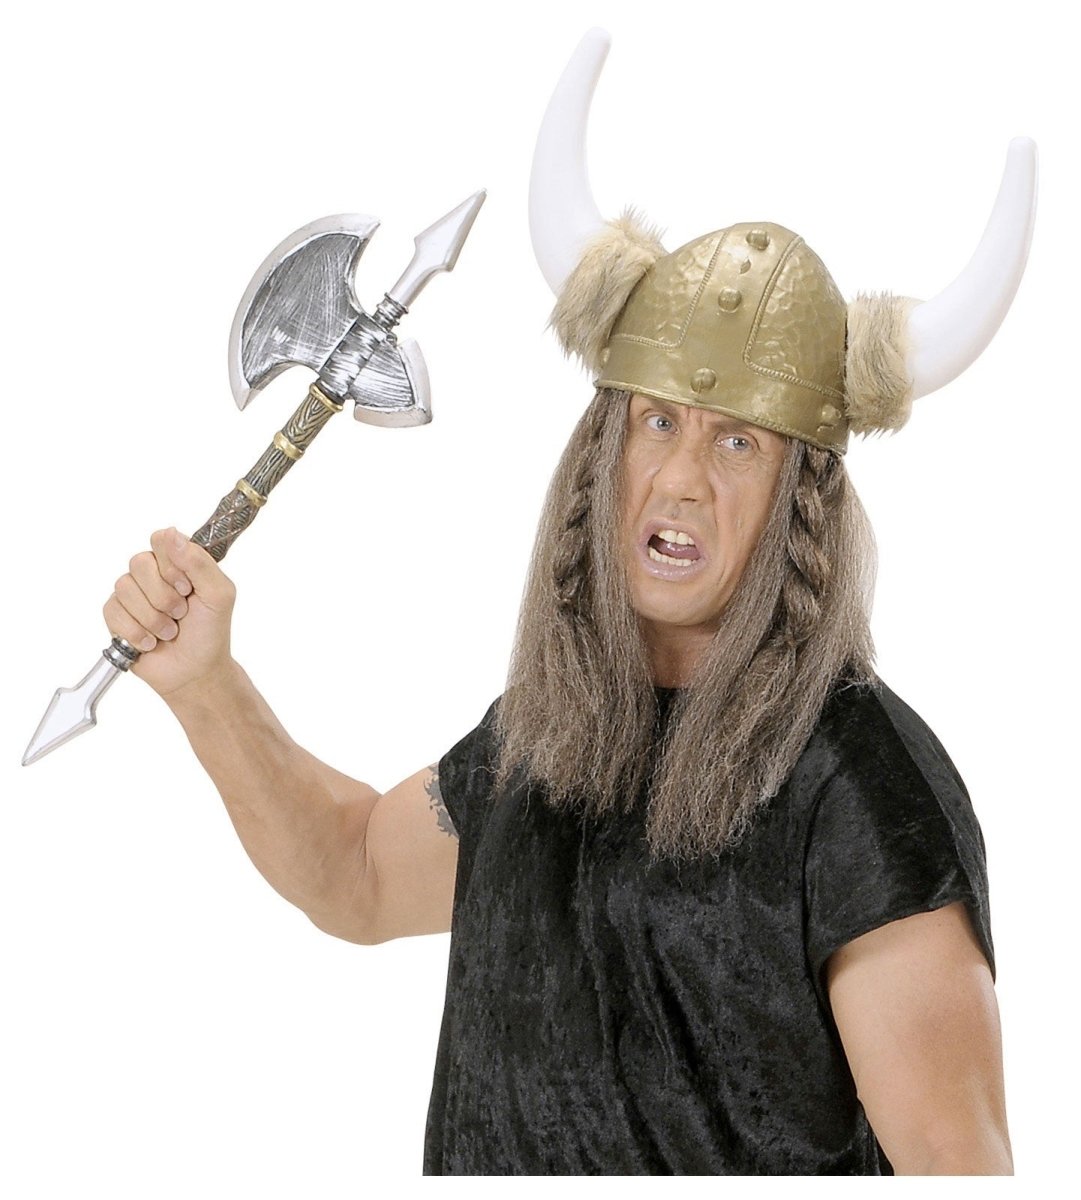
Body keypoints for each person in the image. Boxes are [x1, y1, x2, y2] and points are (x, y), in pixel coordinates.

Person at [101, 32, 1031, 1178]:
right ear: (603, 453)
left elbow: (958, 1170)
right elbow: (356, 875)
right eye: (657, 422)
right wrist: (205, 684)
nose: (680, 478)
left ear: (800, 504)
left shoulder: (862, 793)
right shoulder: (556, 734)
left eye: (738, 442)